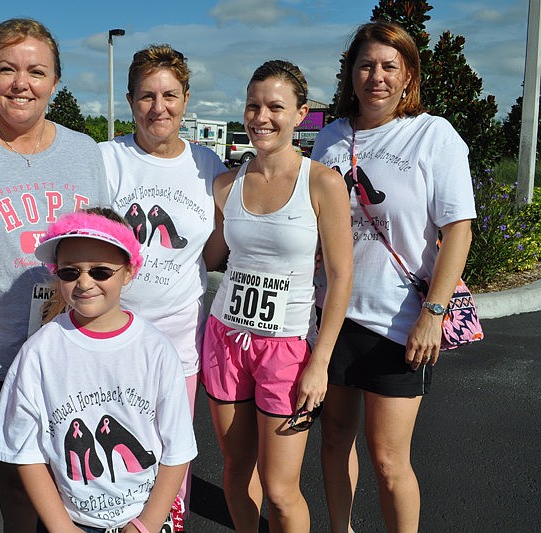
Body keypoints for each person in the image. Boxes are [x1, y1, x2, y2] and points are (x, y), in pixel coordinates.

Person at [0, 17, 109, 531]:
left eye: (36, 71)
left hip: (71, 350)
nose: (20, 83)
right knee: (12, 482)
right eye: (7, 69)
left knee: (70, 475)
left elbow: (104, 243)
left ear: (55, 81)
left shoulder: (84, 152)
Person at [311, 20, 475, 532]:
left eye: (388, 66)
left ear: (408, 75)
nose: (375, 76)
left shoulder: (433, 134)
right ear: (351, 74)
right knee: (335, 440)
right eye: (365, 65)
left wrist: (434, 313)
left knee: (387, 459)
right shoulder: (332, 139)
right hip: (333, 318)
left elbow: (459, 230)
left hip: (401, 322)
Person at [201, 59, 353, 532]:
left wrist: (320, 362)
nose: (260, 117)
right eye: (252, 106)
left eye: (275, 107)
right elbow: (207, 256)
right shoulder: (227, 185)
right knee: (234, 468)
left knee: (281, 489)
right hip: (225, 339)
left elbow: (342, 276)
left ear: (301, 113)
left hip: (286, 348)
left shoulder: (323, 183)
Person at [0, 207, 197, 533]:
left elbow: (178, 448)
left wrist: (147, 524)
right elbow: (24, 450)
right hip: (72, 522)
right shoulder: (39, 353)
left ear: (129, 271)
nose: (84, 282)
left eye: (100, 271)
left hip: (145, 517)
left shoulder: (155, 350)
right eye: (70, 272)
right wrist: (61, 527)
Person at [98, 43, 226, 529]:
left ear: (186, 98)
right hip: (111, 334)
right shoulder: (107, 159)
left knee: (172, 449)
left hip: (177, 338)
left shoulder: (207, 165)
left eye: (169, 95)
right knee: (111, 445)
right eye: (147, 96)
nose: (159, 107)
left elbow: (212, 252)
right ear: (130, 101)